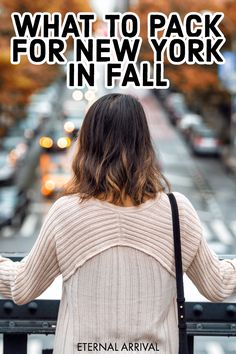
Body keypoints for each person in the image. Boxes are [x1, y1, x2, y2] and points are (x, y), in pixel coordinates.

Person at [0, 93, 236, 354]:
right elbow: (219, 285)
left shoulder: (66, 212)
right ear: (144, 144)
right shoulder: (175, 211)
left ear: (87, 144)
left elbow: (21, 287)